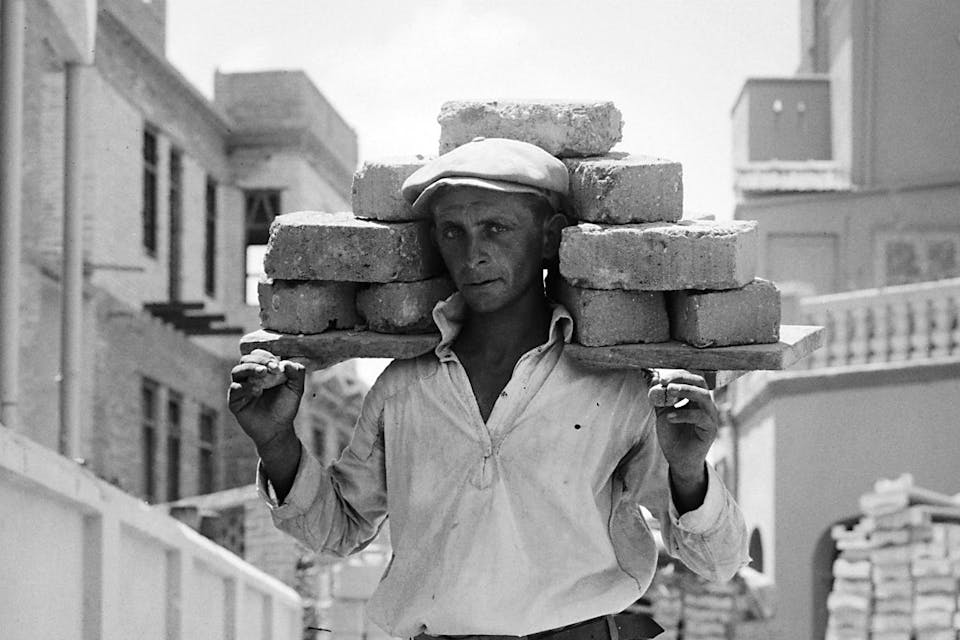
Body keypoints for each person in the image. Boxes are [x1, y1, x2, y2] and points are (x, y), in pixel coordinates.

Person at [229, 137, 749, 640]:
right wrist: (276, 445)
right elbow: (339, 529)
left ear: (549, 237)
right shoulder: (404, 387)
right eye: (453, 231)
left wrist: (687, 472)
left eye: (496, 228)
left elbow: (719, 560)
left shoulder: (618, 386)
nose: (473, 253)